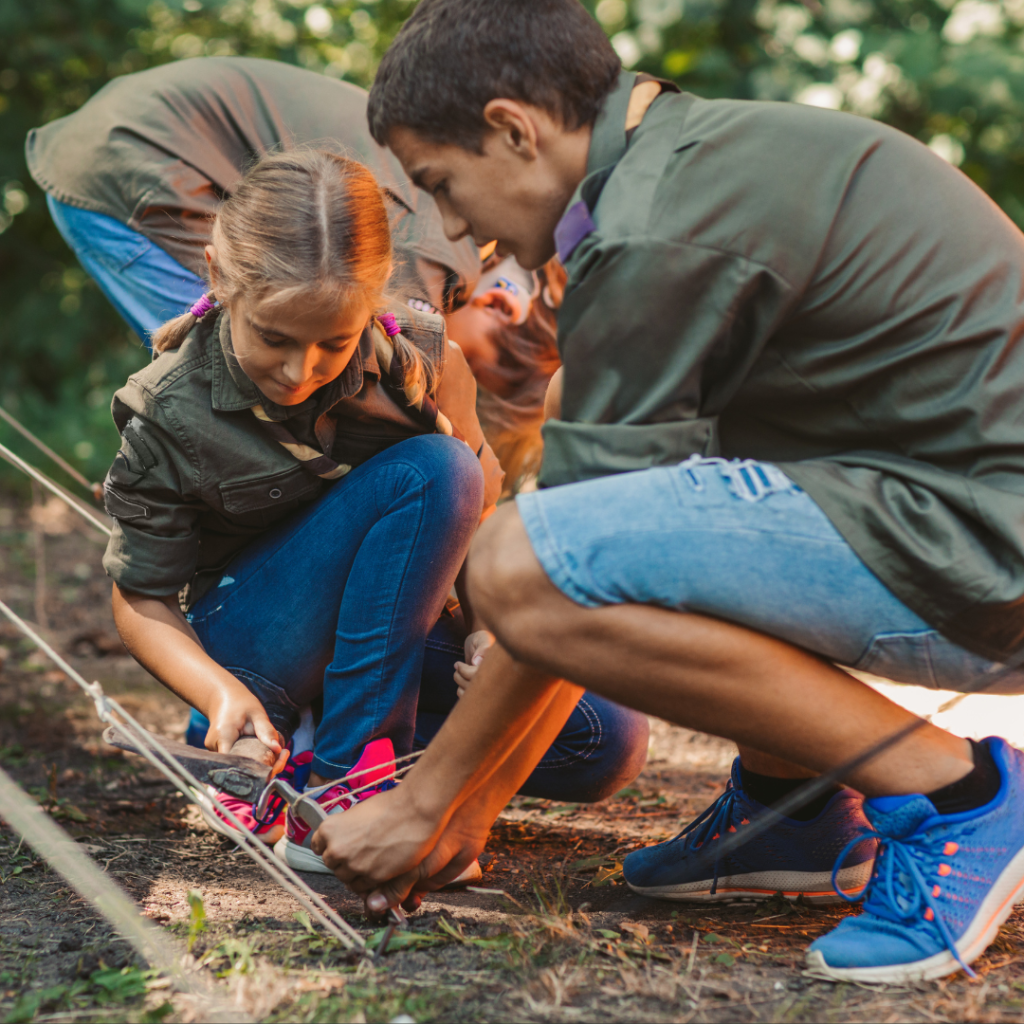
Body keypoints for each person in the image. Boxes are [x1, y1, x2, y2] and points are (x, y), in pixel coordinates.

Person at [309, 0, 1024, 982]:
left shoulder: (652, 232)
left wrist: (426, 806)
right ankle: (793, 811)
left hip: (986, 550)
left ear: (514, 127)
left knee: (514, 558)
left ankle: (954, 793)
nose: (450, 225)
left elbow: (563, 571)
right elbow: (619, 542)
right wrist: (459, 808)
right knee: (581, 481)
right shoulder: (694, 164)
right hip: (956, 516)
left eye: (440, 183)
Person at [99, 148, 648, 873]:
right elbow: (139, 597)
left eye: (334, 342)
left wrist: (486, 636)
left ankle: (321, 756)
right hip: (262, 653)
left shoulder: (425, 363)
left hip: (389, 628)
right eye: (275, 338)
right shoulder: (166, 412)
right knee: (435, 467)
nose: (302, 371)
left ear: (375, 297)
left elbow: (480, 519)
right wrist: (218, 691)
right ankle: (347, 784)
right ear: (217, 277)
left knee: (602, 740)